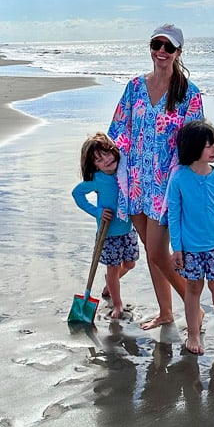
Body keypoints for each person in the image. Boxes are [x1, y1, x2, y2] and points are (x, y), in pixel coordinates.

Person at [108, 24, 203, 329]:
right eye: (156, 44)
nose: (161, 51)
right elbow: (119, 128)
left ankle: (194, 310)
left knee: (161, 253)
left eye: (168, 47)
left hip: (166, 187)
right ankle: (166, 312)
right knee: (152, 252)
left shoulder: (189, 94)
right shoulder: (135, 87)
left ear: (178, 53)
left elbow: (195, 142)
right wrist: (106, 163)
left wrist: (192, 183)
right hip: (134, 181)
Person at [167, 120, 214, 355]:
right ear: (192, 148)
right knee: (193, 289)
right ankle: (193, 333)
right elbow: (174, 214)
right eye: (208, 145)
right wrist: (177, 247)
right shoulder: (179, 178)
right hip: (190, 248)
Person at [72, 132, 139, 319]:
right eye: (100, 160)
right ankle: (117, 304)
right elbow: (77, 194)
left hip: (127, 229)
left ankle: (111, 282)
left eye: (108, 153)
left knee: (130, 264)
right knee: (113, 267)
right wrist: (97, 211)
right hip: (108, 233)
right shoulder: (97, 179)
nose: (107, 160)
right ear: (94, 165)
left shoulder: (124, 172)